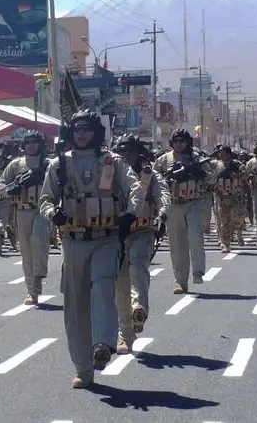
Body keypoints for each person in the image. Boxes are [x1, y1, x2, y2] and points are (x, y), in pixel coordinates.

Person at [39, 109, 142, 389]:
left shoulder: (113, 162)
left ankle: (104, 344)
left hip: (107, 237)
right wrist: (53, 214)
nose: (81, 133)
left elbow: (135, 188)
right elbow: (45, 200)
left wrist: (132, 212)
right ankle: (83, 368)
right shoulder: (59, 164)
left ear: (97, 133)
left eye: (86, 129)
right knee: (75, 305)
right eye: (76, 129)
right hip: (73, 241)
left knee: (103, 286)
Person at [111, 133, 169, 354]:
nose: (125, 154)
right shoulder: (109, 174)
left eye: (129, 150)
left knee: (138, 268)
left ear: (138, 153)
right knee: (120, 282)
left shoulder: (149, 174)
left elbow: (163, 194)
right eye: (121, 150)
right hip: (116, 234)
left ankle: (139, 307)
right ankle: (126, 335)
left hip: (143, 231)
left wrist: (162, 215)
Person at [153, 128, 215, 293]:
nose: (179, 144)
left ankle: (198, 272)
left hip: (194, 201)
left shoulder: (198, 159)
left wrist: (198, 172)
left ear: (188, 142)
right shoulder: (163, 160)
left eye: (182, 141)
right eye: (176, 141)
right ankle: (181, 281)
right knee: (177, 244)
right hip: (173, 204)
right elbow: (154, 182)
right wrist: (170, 177)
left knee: (195, 235)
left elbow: (213, 178)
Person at [0, 130, 51, 306]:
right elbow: (2, 184)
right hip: (22, 210)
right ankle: (32, 291)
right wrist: (11, 189)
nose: (31, 145)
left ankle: (38, 275)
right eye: (28, 142)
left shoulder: (49, 163)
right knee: (26, 252)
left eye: (34, 142)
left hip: (43, 209)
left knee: (39, 240)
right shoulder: (16, 165)